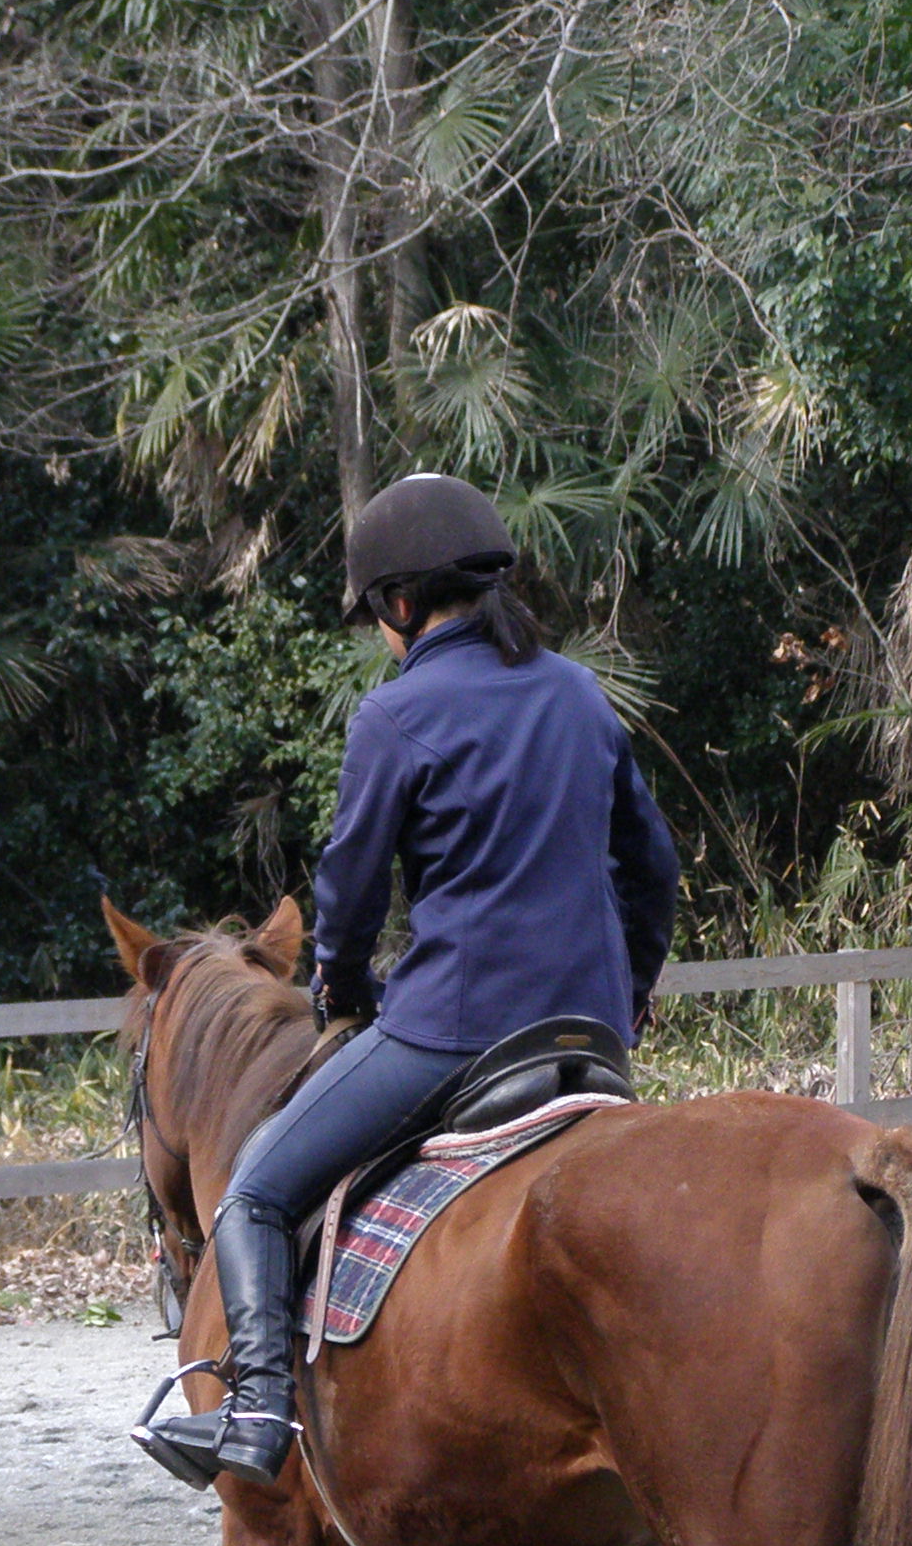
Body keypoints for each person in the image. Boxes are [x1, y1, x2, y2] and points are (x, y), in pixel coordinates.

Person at [148, 472, 679, 1487]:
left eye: (377, 619)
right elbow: (651, 868)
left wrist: (342, 988)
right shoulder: (579, 693)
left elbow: (348, 893)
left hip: (454, 1033)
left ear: (398, 604)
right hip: (589, 1033)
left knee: (256, 1188)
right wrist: (630, 993)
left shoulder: (395, 716)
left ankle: (255, 1412)